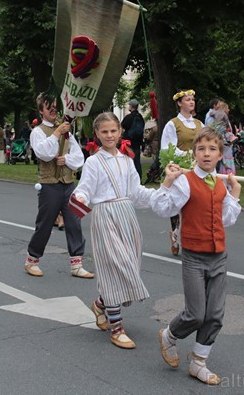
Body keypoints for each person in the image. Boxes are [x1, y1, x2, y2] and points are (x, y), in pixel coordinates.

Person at [151, 127, 242, 385]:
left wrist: (234, 193)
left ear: (220, 155)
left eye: (212, 149)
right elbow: (162, 208)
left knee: (214, 314)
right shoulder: (186, 181)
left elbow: (225, 219)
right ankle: (170, 335)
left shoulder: (222, 184)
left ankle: (199, 362)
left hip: (218, 255)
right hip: (193, 255)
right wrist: (168, 182)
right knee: (195, 313)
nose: (206, 153)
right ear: (194, 153)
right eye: (201, 149)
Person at [73, 112, 157, 349]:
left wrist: (161, 194)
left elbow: (136, 193)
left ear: (120, 132)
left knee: (129, 264)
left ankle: (101, 304)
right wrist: (80, 197)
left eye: (113, 131)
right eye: (104, 132)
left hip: (127, 216)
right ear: (97, 135)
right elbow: (85, 189)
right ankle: (117, 328)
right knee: (114, 267)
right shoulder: (93, 162)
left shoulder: (127, 161)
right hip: (105, 215)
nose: (109, 135)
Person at [24, 92, 93, 279]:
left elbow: (79, 157)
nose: (54, 110)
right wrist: (57, 133)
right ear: (41, 111)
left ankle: (77, 264)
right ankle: (32, 260)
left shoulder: (66, 131)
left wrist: (67, 159)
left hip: (68, 183)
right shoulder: (38, 132)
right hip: (49, 185)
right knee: (45, 224)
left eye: (55, 106)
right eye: (49, 107)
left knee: (74, 222)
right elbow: (44, 154)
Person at [160, 89, 204, 256]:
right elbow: (167, 148)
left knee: (196, 202)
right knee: (177, 202)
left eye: (193, 99)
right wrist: (187, 155)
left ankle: (192, 236)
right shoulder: (173, 124)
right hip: (179, 167)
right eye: (188, 99)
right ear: (179, 103)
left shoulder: (200, 124)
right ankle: (175, 235)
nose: (191, 102)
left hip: (197, 168)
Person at [207, 101, 236, 175]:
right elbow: (226, 123)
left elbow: (211, 114)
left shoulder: (214, 113)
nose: (229, 110)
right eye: (228, 108)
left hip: (217, 129)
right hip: (221, 133)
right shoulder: (224, 115)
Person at [121, 99, 145, 178]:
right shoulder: (140, 117)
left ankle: (128, 178)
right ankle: (139, 178)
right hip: (137, 143)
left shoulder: (128, 117)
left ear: (131, 106)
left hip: (128, 142)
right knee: (137, 161)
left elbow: (123, 125)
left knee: (128, 160)